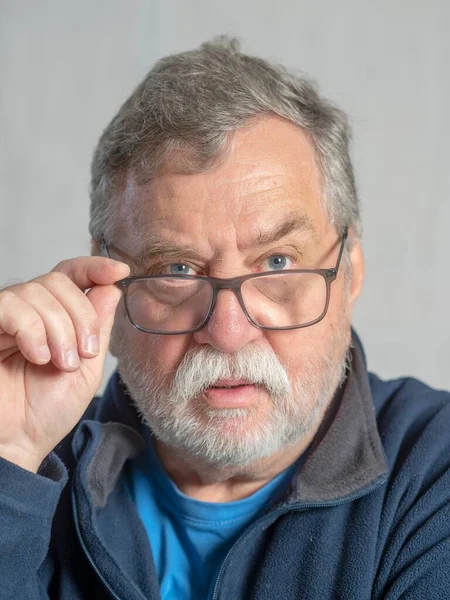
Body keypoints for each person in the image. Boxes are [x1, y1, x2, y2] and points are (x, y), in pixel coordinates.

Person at [1, 36, 449, 600]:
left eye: (278, 261)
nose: (229, 332)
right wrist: (10, 459)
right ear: (104, 280)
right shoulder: (28, 467)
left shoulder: (436, 470)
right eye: (178, 268)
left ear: (350, 271)